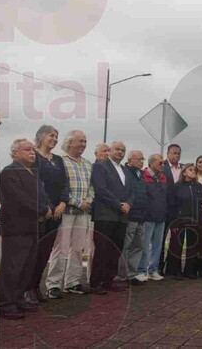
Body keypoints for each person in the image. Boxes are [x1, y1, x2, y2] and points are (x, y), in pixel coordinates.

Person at [0, 139, 50, 319]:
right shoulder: (9, 172)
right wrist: (43, 209)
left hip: (32, 226)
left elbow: (41, 195)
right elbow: (20, 199)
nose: (32, 152)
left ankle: (18, 299)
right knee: (13, 267)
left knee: (26, 266)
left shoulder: (33, 173)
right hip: (16, 227)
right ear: (15, 153)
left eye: (33, 149)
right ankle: (6, 304)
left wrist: (47, 206)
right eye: (27, 149)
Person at [46, 130, 93, 299]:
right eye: (79, 141)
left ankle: (72, 283)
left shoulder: (88, 164)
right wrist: (77, 201)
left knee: (78, 249)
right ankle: (53, 285)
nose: (83, 144)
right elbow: (60, 187)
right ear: (69, 142)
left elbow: (91, 186)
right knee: (61, 248)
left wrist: (89, 200)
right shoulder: (60, 161)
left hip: (83, 213)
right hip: (66, 211)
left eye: (85, 141)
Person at [28, 125, 69, 305]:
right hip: (40, 211)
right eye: (51, 135)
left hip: (57, 213)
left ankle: (35, 286)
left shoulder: (59, 160)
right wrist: (47, 206)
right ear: (41, 136)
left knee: (45, 252)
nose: (54, 139)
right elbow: (35, 183)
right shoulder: (33, 156)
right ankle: (26, 289)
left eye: (56, 136)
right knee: (33, 252)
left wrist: (62, 203)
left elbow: (65, 184)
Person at [90, 141, 134, 294]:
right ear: (109, 151)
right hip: (105, 214)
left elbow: (131, 191)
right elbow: (101, 189)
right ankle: (96, 282)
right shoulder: (100, 166)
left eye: (123, 150)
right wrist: (118, 204)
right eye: (117, 149)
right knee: (102, 249)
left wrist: (128, 203)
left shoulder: (125, 170)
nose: (120, 152)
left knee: (116, 250)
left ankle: (109, 280)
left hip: (122, 216)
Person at [171, 164, 202, 279]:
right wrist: (174, 222)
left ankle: (190, 271)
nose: (193, 172)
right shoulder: (177, 186)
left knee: (192, 245)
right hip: (179, 220)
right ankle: (176, 271)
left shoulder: (199, 186)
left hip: (194, 220)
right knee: (177, 245)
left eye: (194, 170)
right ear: (184, 172)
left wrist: (200, 220)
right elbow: (172, 204)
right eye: (190, 170)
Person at [138, 154, 169, 281]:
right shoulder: (143, 176)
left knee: (157, 245)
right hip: (147, 217)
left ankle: (153, 270)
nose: (162, 165)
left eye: (162, 163)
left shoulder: (163, 177)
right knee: (144, 245)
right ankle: (141, 270)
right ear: (150, 163)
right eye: (159, 163)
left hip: (160, 217)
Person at [121, 150, 147, 285]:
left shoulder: (141, 175)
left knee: (138, 246)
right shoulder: (125, 173)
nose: (141, 162)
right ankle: (122, 275)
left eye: (143, 159)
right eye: (138, 159)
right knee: (126, 246)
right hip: (130, 216)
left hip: (141, 217)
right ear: (130, 160)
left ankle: (132, 274)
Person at [161, 144, 182, 275]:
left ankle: (172, 268)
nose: (176, 156)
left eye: (178, 153)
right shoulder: (162, 167)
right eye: (173, 153)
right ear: (167, 153)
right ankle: (158, 266)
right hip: (164, 209)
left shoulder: (183, 168)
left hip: (178, 211)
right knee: (160, 240)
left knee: (176, 240)